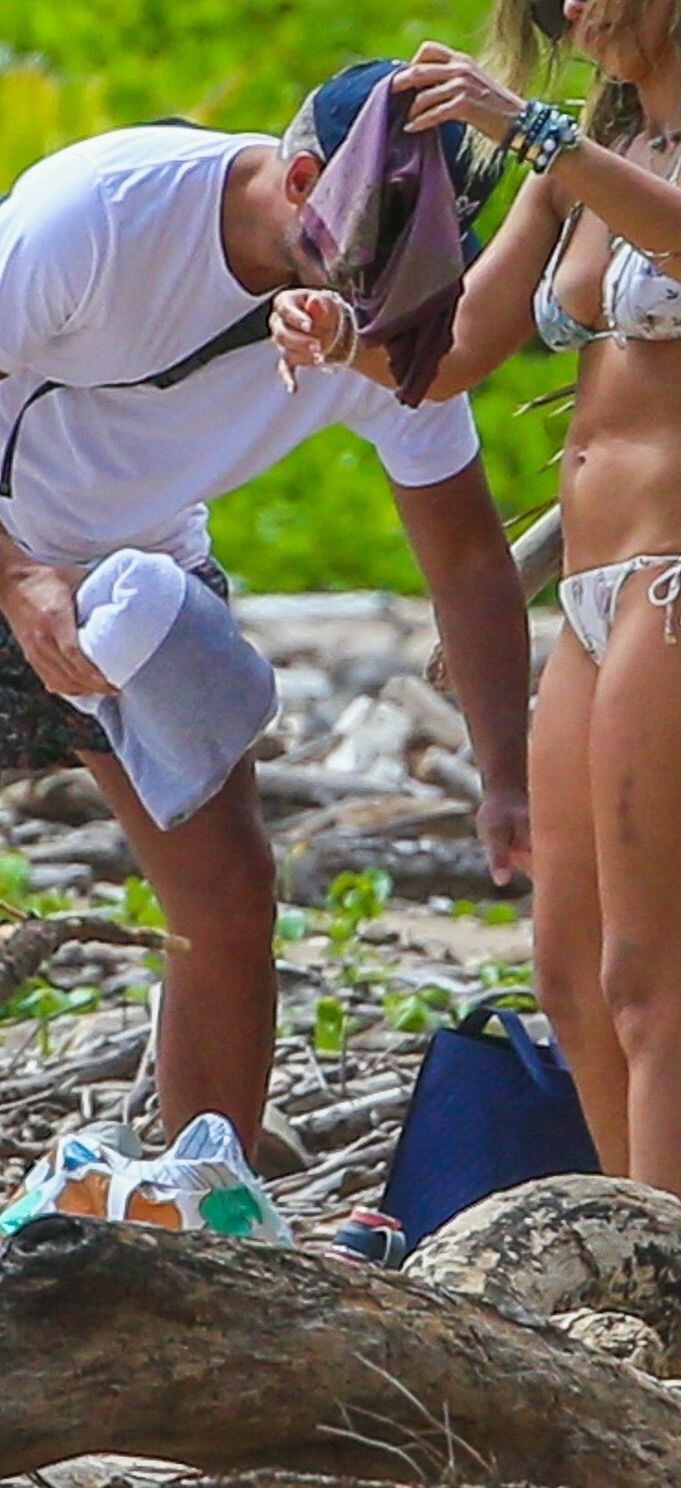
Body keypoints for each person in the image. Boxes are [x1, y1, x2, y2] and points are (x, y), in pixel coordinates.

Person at [272, 0, 681, 1239]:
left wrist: (531, 134)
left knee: (656, 980)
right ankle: (646, 1262)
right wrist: (341, 331)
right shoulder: (584, 155)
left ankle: (678, 1305)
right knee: (571, 980)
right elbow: (456, 350)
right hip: (588, 594)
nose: (568, 10)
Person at [0, 69, 531, 1159]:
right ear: (300, 184)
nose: (385, 302)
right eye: (375, 260)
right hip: (10, 541)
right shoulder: (97, 216)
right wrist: (18, 579)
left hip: (142, 578)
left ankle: (205, 1205)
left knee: (230, 896)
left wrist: (506, 778)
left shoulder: (386, 327)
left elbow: (469, 559)